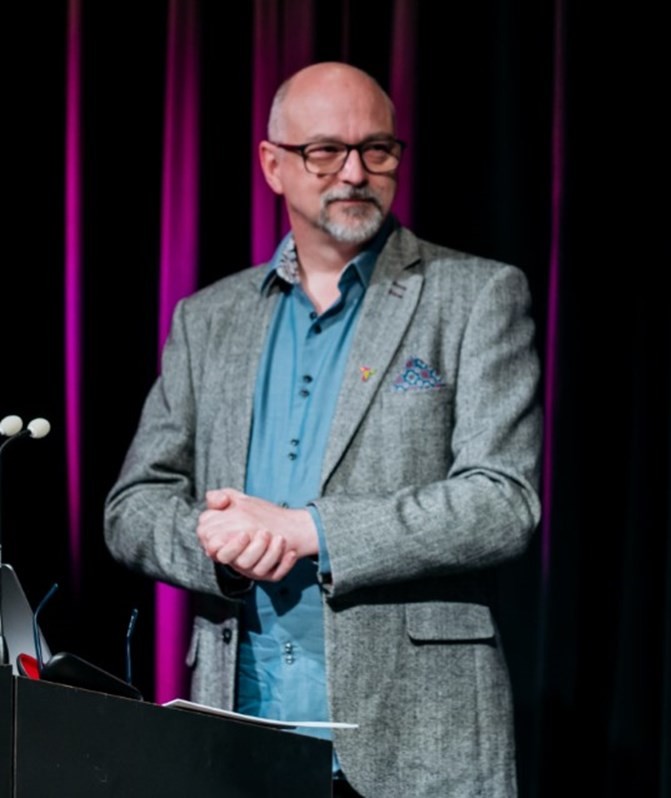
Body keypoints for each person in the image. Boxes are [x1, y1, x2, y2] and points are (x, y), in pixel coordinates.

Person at [104, 61, 541, 797]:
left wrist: (309, 529)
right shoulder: (209, 319)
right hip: (238, 727)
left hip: (413, 739)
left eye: (378, 149)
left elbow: (502, 502)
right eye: (325, 151)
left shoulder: (475, 295)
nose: (355, 172)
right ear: (273, 165)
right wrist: (221, 547)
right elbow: (133, 505)